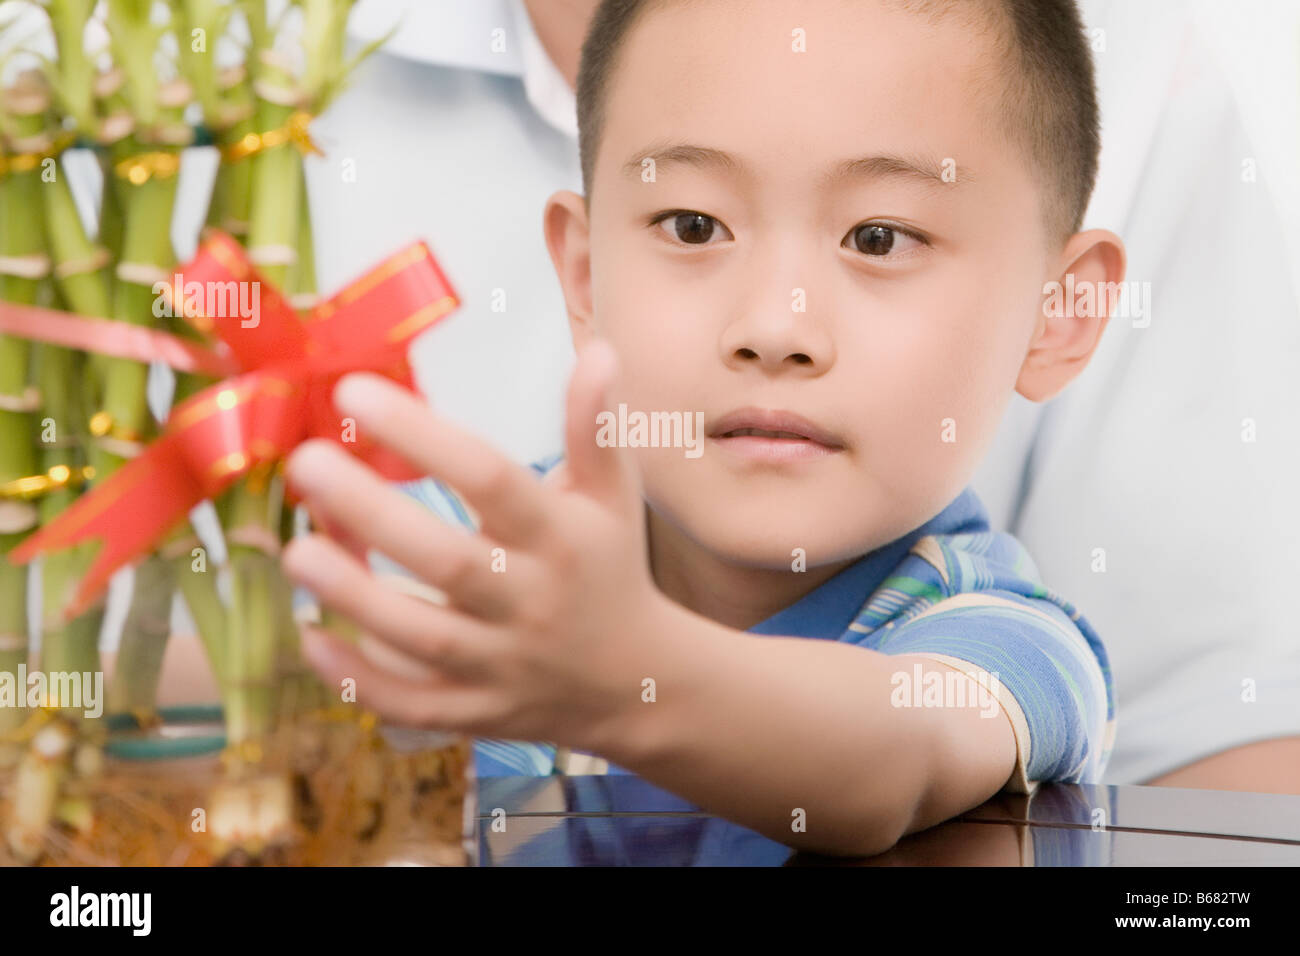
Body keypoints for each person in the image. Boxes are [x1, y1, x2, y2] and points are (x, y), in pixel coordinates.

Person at [281, 0, 1121, 857]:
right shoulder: (464, 547)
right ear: (585, 275)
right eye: (693, 226)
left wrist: (625, 674)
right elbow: (225, 691)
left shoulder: (1008, 638)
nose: (774, 326)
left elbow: (892, 763)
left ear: (1058, 311)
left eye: (878, 237)